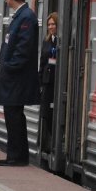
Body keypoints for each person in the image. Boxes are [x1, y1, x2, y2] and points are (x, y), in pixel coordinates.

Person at [0, 0, 39, 166]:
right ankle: (15, 155)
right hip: (14, 78)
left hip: (16, 79)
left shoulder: (26, 17)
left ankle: (17, 157)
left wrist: (8, 67)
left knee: (14, 117)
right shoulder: (22, 16)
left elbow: (23, 50)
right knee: (13, 116)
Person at [38, 13, 58, 153]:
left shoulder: (60, 41)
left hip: (57, 81)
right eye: (49, 24)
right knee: (45, 112)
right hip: (46, 82)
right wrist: (39, 82)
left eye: (53, 24)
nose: (51, 27)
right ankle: (48, 143)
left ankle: (55, 144)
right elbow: (42, 62)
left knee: (54, 112)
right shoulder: (46, 41)